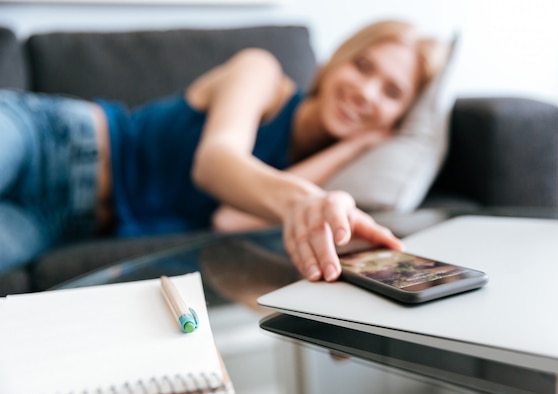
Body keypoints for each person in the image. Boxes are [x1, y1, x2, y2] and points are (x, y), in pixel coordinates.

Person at [0, 19, 445, 282]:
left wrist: (351, 150)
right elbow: (216, 163)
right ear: (336, 62)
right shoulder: (262, 73)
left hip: (63, 222)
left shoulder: (311, 174)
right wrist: (305, 199)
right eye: (362, 66)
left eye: (390, 91)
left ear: (399, 117)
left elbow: (227, 219)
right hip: (55, 138)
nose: (366, 92)